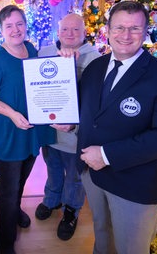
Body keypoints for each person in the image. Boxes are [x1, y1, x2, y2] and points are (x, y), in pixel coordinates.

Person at [77, 1, 157, 253]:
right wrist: (69, 123)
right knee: (102, 238)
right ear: (107, 30)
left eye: (135, 28)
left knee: (131, 248)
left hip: (134, 183)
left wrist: (105, 155)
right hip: (92, 174)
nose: (126, 36)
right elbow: (91, 115)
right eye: (119, 28)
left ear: (146, 31)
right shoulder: (95, 68)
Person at [0, 5, 55, 254]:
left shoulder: (31, 49)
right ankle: (5, 240)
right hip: (9, 134)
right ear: (1, 30)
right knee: (8, 188)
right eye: (9, 25)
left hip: (31, 132)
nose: (15, 29)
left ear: (25, 25)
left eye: (19, 23)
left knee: (21, 179)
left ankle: (15, 210)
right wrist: (12, 113)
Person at [35, 13, 100, 241]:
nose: (70, 34)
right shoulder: (43, 53)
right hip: (49, 132)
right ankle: (52, 199)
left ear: (84, 32)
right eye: (65, 29)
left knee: (75, 176)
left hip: (76, 136)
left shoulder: (95, 59)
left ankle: (71, 210)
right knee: (52, 168)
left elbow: (94, 100)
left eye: (76, 30)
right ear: (58, 31)